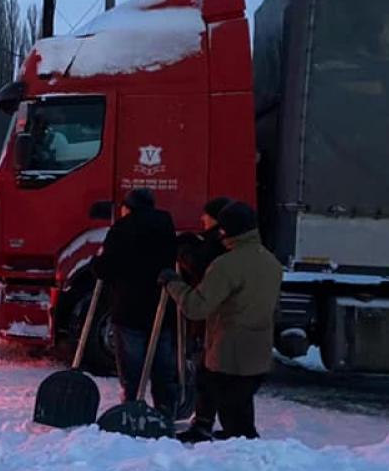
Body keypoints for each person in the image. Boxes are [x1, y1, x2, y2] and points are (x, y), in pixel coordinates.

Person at [161, 201, 283, 442]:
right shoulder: (271, 262)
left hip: (229, 352)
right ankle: (209, 429)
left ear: (227, 231)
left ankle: (242, 462)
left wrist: (172, 283)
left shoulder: (226, 265)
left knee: (236, 427)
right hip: (257, 350)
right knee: (239, 405)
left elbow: (197, 307)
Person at [90, 188, 179, 415]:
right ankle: (166, 409)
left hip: (130, 307)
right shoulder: (166, 224)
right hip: (161, 305)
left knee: (132, 367)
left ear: (128, 207)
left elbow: (107, 268)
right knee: (162, 364)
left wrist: (96, 263)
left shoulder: (121, 228)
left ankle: (131, 407)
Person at [175, 196, 232, 434]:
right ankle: (211, 422)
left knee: (208, 374)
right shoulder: (226, 243)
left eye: (206, 215)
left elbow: (199, 265)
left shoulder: (216, 245)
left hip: (211, 319)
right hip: (220, 319)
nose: (201, 218)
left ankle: (204, 423)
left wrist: (185, 249)